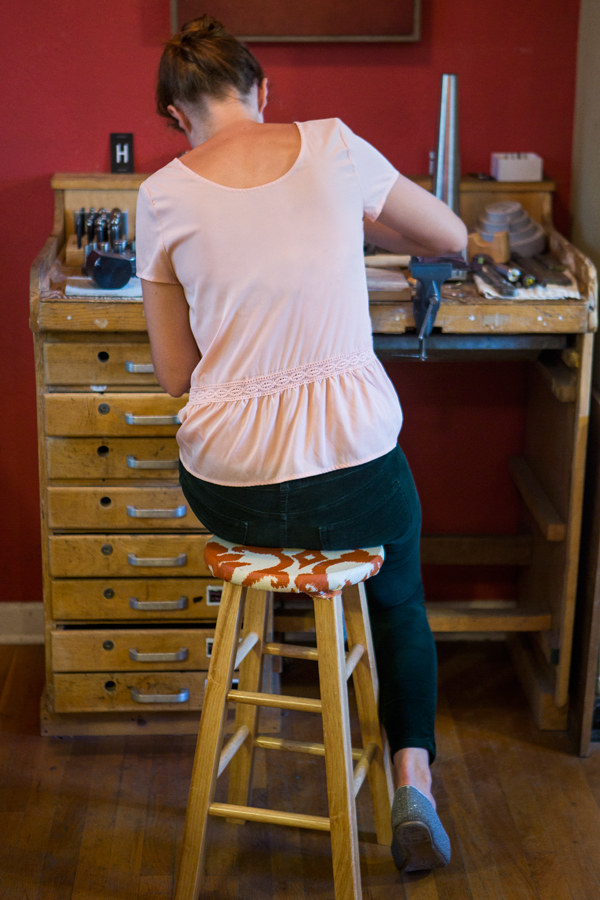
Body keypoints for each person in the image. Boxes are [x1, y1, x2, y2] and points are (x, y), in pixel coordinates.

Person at [136, 14, 467, 874]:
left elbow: (175, 373)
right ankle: (412, 781)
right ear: (262, 90)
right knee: (397, 595)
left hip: (230, 487)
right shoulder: (332, 145)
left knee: (291, 506)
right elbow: (450, 238)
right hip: (352, 470)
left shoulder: (162, 192)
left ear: (177, 116)